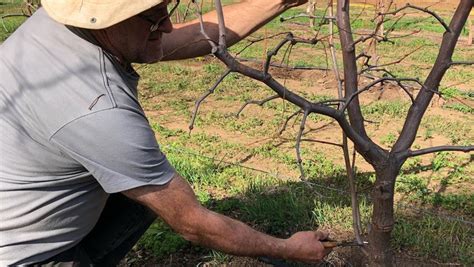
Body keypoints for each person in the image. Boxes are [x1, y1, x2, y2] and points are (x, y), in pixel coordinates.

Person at [0, 0, 332, 265]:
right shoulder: (98, 109)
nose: (169, 25)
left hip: (19, 192)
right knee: (160, 193)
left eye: (166, 9)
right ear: (109, 20)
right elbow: (193, 224)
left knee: (140, 191)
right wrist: (288, 248)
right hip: (24, 255)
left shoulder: (64, 23)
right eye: (155, 17)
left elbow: (183, 37)